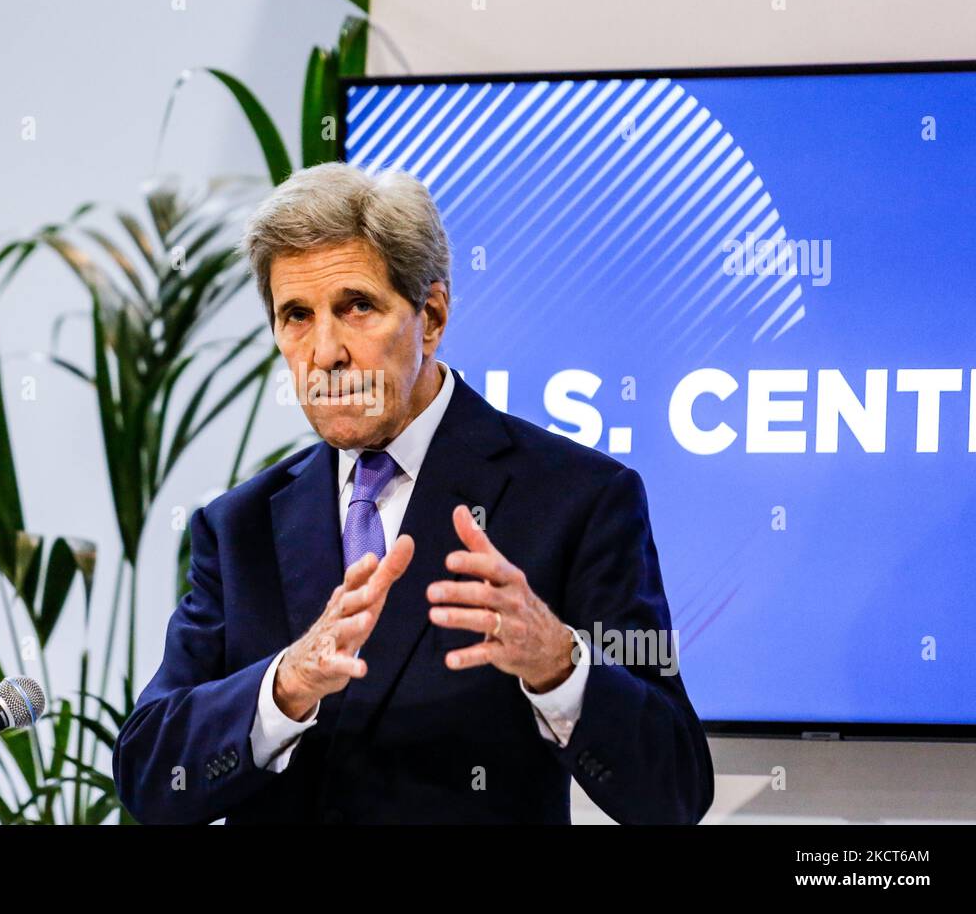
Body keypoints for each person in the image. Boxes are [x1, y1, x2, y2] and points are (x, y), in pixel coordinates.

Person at [111, 161, 714, 824]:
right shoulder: (239, 527)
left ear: (430, 316)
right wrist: (285, 686)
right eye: (297, 316)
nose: (326, 351)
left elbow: (674, 791)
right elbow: (150, 779)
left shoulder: (578, 498)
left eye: (356, 306)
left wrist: (558, 664)